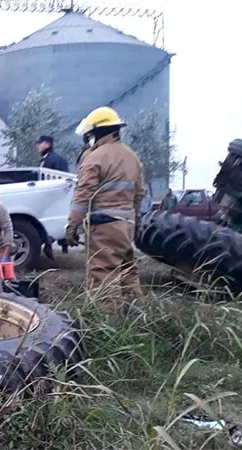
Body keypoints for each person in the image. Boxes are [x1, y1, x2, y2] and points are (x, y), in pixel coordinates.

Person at [66, 106, 146, 314]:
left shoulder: (95, 157)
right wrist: (134, 219)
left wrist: (72, 224)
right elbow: (139, 194)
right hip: (126, 224)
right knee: (128, 271)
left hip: (104, 225)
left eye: (90, 134)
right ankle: (138, 317)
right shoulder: (132, 157)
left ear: (98, 132)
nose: (89, 139)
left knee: (103, 273)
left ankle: (107, 324)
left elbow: (83, 195)